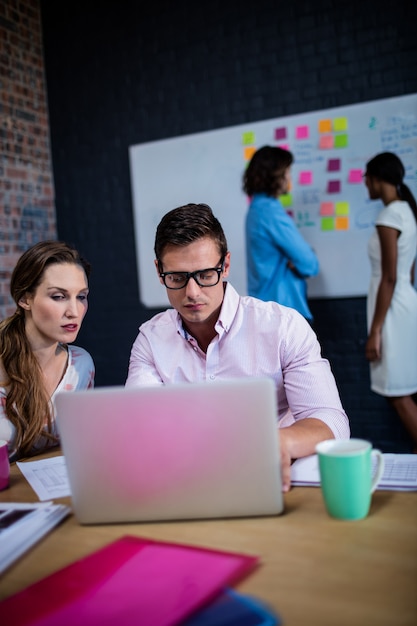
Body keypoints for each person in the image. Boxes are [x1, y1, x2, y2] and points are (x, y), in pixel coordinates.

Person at [126, 203, 350, 491]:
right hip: (186, 483)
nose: (192, 293)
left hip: (270, 481)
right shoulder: (151, 340)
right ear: (160, 271)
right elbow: (140, 425)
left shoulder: (283, 327)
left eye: (206, 275)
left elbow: (331, 420)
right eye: (178, 278)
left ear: (226, 265)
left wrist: (279, 441)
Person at [0, 240, 95, 460]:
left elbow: (81, 444)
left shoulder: (81, 365)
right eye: (58, 296)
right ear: (25, 298)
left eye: (81, 297)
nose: (74, 311)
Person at [363, 151, 417, 450]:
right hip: (406, 304)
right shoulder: (407, 210)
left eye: (365, 179)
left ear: (376, 179)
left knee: (398, 395)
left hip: (393, 311)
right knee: (404, 391)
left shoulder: (389, 216)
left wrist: (375, 331)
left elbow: (390, 276)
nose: (365, 185)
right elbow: (407, 272)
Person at [243, 145, 319, 322]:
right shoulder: (270, 212)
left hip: (266, 311)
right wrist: (301, 259)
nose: (289, 178)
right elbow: (309, 264)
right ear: (274, 175)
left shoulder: (255, 208)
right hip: (284, 313)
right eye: (287, 172)